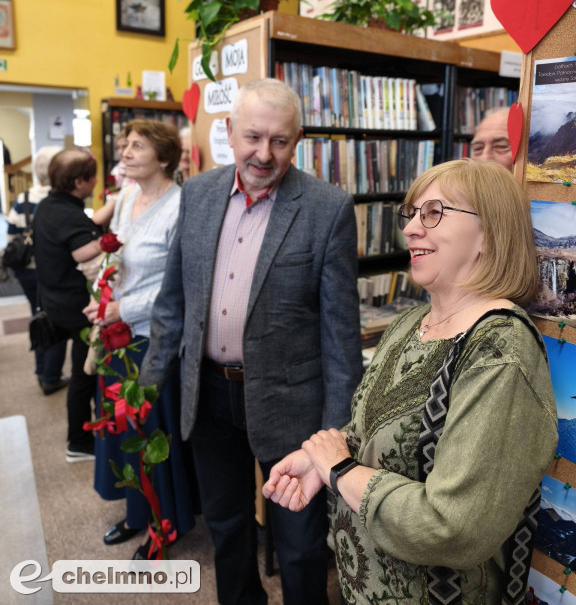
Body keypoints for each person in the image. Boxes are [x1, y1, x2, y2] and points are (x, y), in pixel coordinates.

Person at [264, 159, 557, 605]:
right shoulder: (410, 323)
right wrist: (320, 461)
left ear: (489, 234)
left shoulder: (499, 351)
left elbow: (454, 528)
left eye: (434, 213)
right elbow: (381, 427)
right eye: (412, 213)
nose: (411, 230)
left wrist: (340, 471)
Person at [140, 78, 363, 605]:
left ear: (298, 139)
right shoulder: (196, 194)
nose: (264, 153)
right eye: (253, 137)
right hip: (211, 396)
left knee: (301, 544)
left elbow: (340, 334)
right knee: (226, 525)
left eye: (280, 141)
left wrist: (336, 434)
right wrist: (148, 385)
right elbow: (173, 299)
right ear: (228, 132)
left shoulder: (327, 208)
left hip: (293, 405)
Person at [83, 119, 197, 560]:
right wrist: (101, 302)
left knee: (150, 432)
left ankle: (162, 522)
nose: (126, 152)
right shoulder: (126, 195)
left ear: (165, 158)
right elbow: (115, 262)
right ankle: (136, 511)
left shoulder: (180, 206)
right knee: (120, 428)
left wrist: (123, 310)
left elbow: (180, 283)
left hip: (152, 339)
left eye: (137, 146)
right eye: (125, 144)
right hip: (115, 336)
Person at [33, 149, 103, 462]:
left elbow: (81, 226)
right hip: (76, 308)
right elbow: (84, 252)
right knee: (84, 373)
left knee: (80, 372)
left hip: (53, 299)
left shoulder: (50, 205)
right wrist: (121, 237)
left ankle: (82, 435)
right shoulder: (69, 215)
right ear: (79, 182)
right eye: (92, 177)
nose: (95, 183)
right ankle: (78, 441)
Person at [6, 145, 67, 393]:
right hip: (52, 274)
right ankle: (51, 376)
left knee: (37, 316)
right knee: (55, 322)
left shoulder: (23, 200)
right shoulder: (59, 202)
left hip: (25, 273)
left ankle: (42, 370)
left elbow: (10, 239)